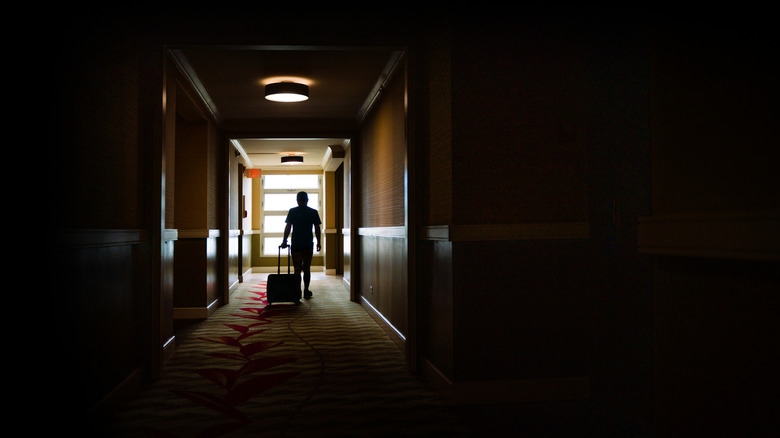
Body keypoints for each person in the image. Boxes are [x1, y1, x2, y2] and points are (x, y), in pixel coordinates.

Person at [281, 191, 321, 299]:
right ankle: (306, 290)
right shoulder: (313, 212)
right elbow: (317, 228)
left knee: (297, 269)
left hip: (296, 244)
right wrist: (319, 242)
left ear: (297, 201)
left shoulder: (292, 211)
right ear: (307, 200)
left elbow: (288, 227)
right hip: (308, 244)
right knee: (307, 269)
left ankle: (297, 291)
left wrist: (284, 240)